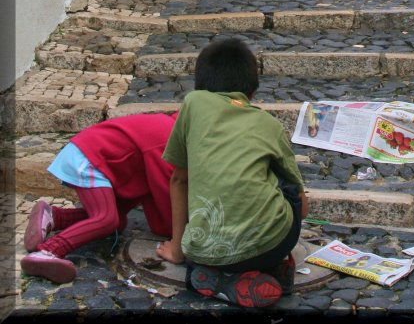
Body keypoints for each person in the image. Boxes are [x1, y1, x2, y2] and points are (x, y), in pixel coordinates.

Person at [157, 36, 309, 309]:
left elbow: (180, 179)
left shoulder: (193, 104)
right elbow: (302, 202)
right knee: (286, 186)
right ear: (252, 92)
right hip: (272, 246)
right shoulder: (267, 122)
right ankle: (271, 267)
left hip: (205, 251)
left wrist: (177, 250)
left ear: (201, 84)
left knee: (200, 255)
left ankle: (214, 280)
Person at [20, 112, 178, 284]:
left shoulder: (169, 131)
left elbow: (159, 214)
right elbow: (167, 193)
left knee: (117, 223)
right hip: (88, 158)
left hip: (98, 161)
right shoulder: (166, 136)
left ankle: (53, 216)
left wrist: (172, 230)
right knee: (106, 219)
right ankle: (48, 252)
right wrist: (182, 237)